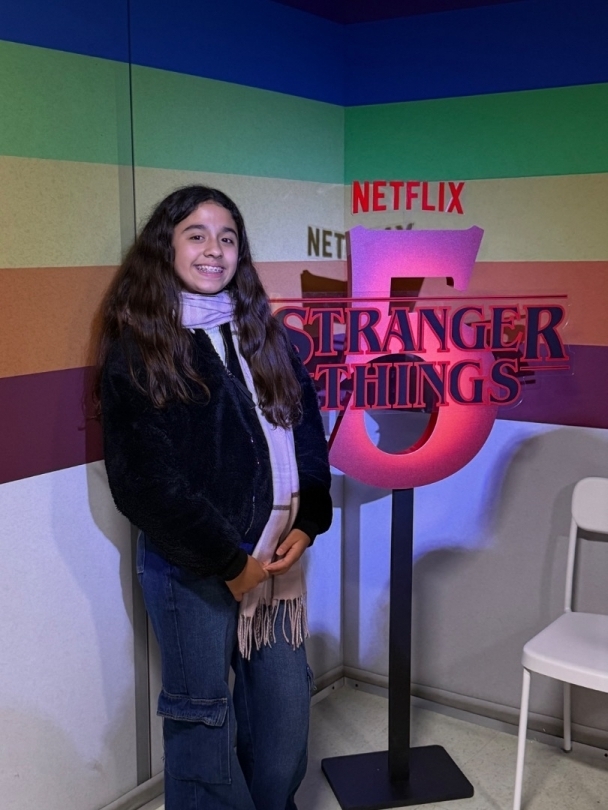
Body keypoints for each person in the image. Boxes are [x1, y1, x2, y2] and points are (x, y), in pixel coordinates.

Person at [94, 185, 333, 810]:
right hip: (191, 567)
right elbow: (145, 484)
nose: (214, 250)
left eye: (227, 238)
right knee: (202, 719)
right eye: (196, 235)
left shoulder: (264, 335)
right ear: (165, 248)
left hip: (275, 561)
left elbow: (306, 431)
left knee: (282, 716)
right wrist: (229, 563)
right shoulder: (140, 346)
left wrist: (308, 519)